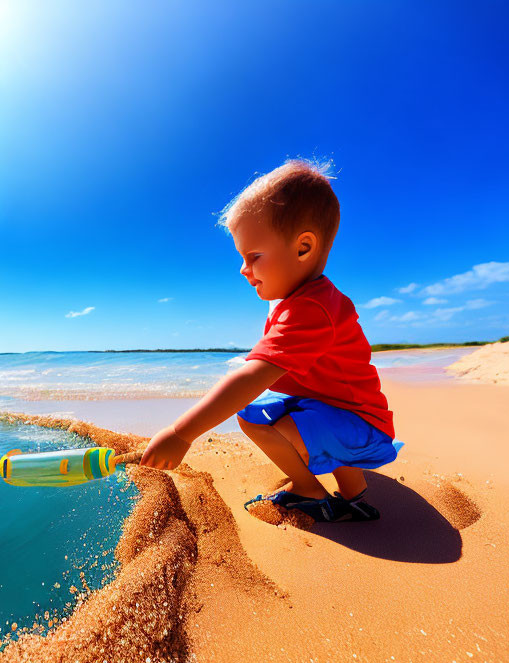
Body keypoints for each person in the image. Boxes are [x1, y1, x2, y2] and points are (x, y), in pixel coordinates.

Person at [139, 159, 401, 522]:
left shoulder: (312, 310)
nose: (243, 269)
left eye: (253, 256)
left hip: (361, 428)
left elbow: (252, 376)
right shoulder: (298, 301)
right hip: (343, 414)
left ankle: (312, 491)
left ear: (303, 248)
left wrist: (181, 433)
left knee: (271, 418)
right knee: (254, 413)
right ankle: (354, 493)